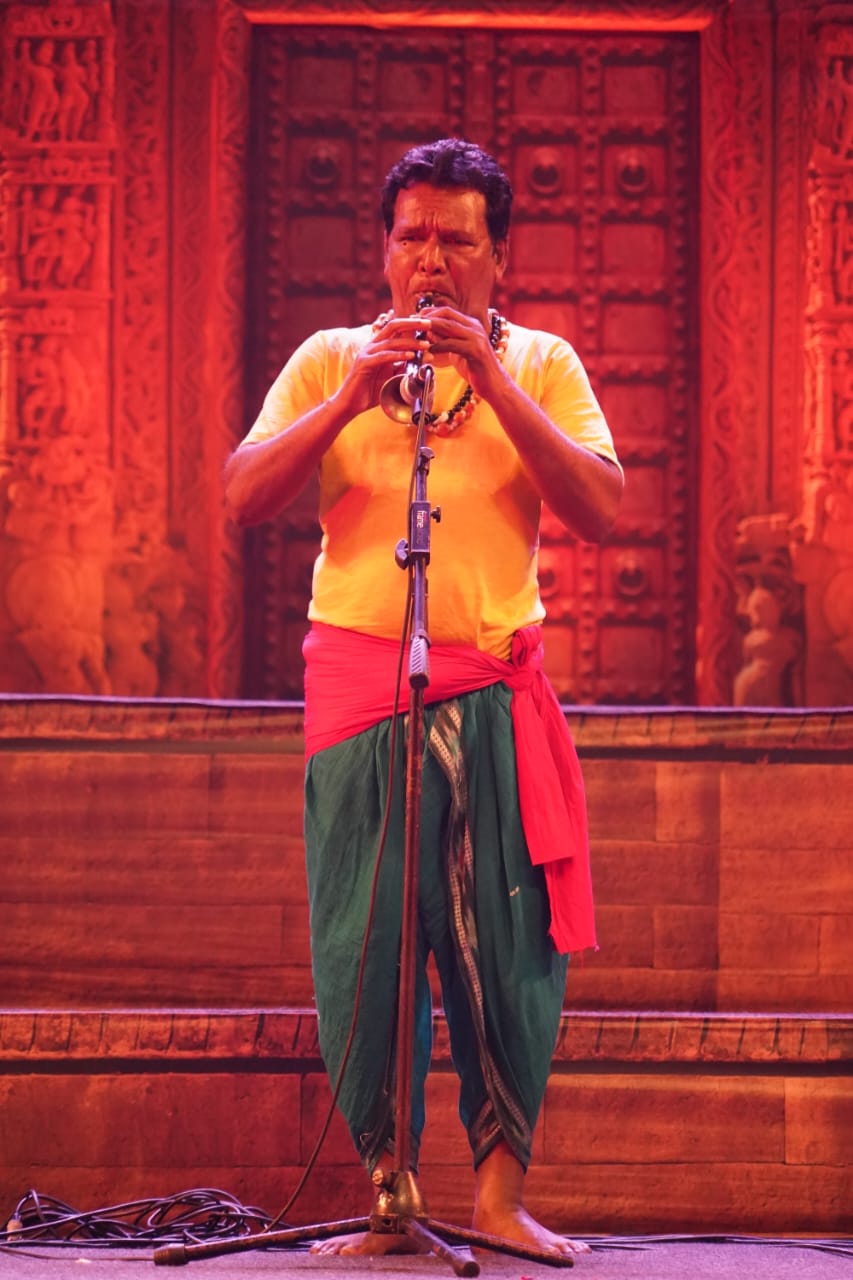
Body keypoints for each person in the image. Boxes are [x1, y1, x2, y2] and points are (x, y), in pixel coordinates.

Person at [225, 137, 623, 1260]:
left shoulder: (542, 363)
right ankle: (389, 1197)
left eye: (457, 238)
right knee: (369, 949)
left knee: (506, 950)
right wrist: (352, 393)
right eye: (412, 237)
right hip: (361, 691)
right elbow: (243, 494)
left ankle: (497, 1201)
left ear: (500, 255)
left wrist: (492, 379)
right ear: (384, 249)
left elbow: (601, 507)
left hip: (490, 687)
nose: (432, 259)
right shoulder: (328, 359)